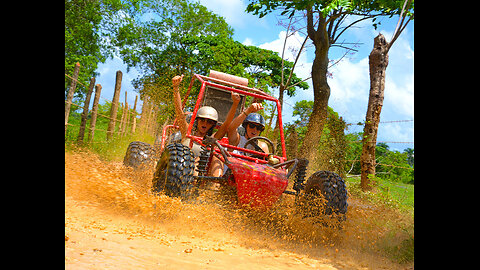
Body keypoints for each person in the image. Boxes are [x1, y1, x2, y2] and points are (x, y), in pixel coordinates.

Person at [172, 75, 240, 177]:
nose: (205, 123)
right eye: (202, 120)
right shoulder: (187, 132)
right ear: (197, 120)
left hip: (201, 174)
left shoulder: (212, 139)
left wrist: (235, 103)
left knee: (218, 155)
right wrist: (176, 88)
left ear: (213, 124)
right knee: (195, 162)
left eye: (209, 122)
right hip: (180, 171)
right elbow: (179, 113)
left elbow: (227, 123)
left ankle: (214, 188)